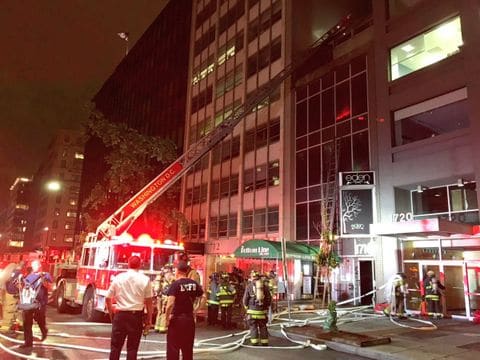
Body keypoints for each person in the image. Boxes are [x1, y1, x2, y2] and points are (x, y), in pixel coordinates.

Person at [106, 255, 153, 360]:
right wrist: (148, 320)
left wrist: (111, 314)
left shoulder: (118, 278)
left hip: (120, 315)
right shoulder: (145, 279)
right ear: (140, 265)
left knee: (115, 347)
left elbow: (108, 298)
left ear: (128, 264)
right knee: (132, 348)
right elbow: (149, 302)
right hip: (135, 317)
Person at [165, 260, 204, 360]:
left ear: (177, 271)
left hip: (176, 319)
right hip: (189, 319)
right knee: (187, 348)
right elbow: (203, 297)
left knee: (173, 348)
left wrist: (166, 318)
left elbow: (170, 304)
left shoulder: (175, 284)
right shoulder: (194, 284)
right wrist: (196, 310)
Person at [20, 260, 52, 350]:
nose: (34, 267)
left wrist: (43, 278)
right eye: (33, 265)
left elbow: (49, 283)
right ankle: (28, 342)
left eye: (36, 265)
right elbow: (24, 286)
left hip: (40, 303)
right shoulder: (29, 276)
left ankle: (44, 331)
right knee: (27, 322)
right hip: (30, 302)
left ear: (40, 266)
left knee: (40, 319)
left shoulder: (45, 275)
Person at [243, 270, 271, 346]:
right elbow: (269, 298)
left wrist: (246, 307)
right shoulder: (264, 286)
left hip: (252, 311)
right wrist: (266, 307)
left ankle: (254, 342)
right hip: (262, 311)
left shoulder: (249, 286)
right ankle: (264, 342)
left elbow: (245, 299)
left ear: (252, 277)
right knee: (263, 326)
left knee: (253, 327)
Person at [154, 267, 174, 333]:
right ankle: (163, 328)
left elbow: (157, 288)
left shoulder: (160, 278)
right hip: (165, 296)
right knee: (165, 311)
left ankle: (157, 326)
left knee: (159, 311)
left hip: (160, 296)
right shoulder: (169, 277)